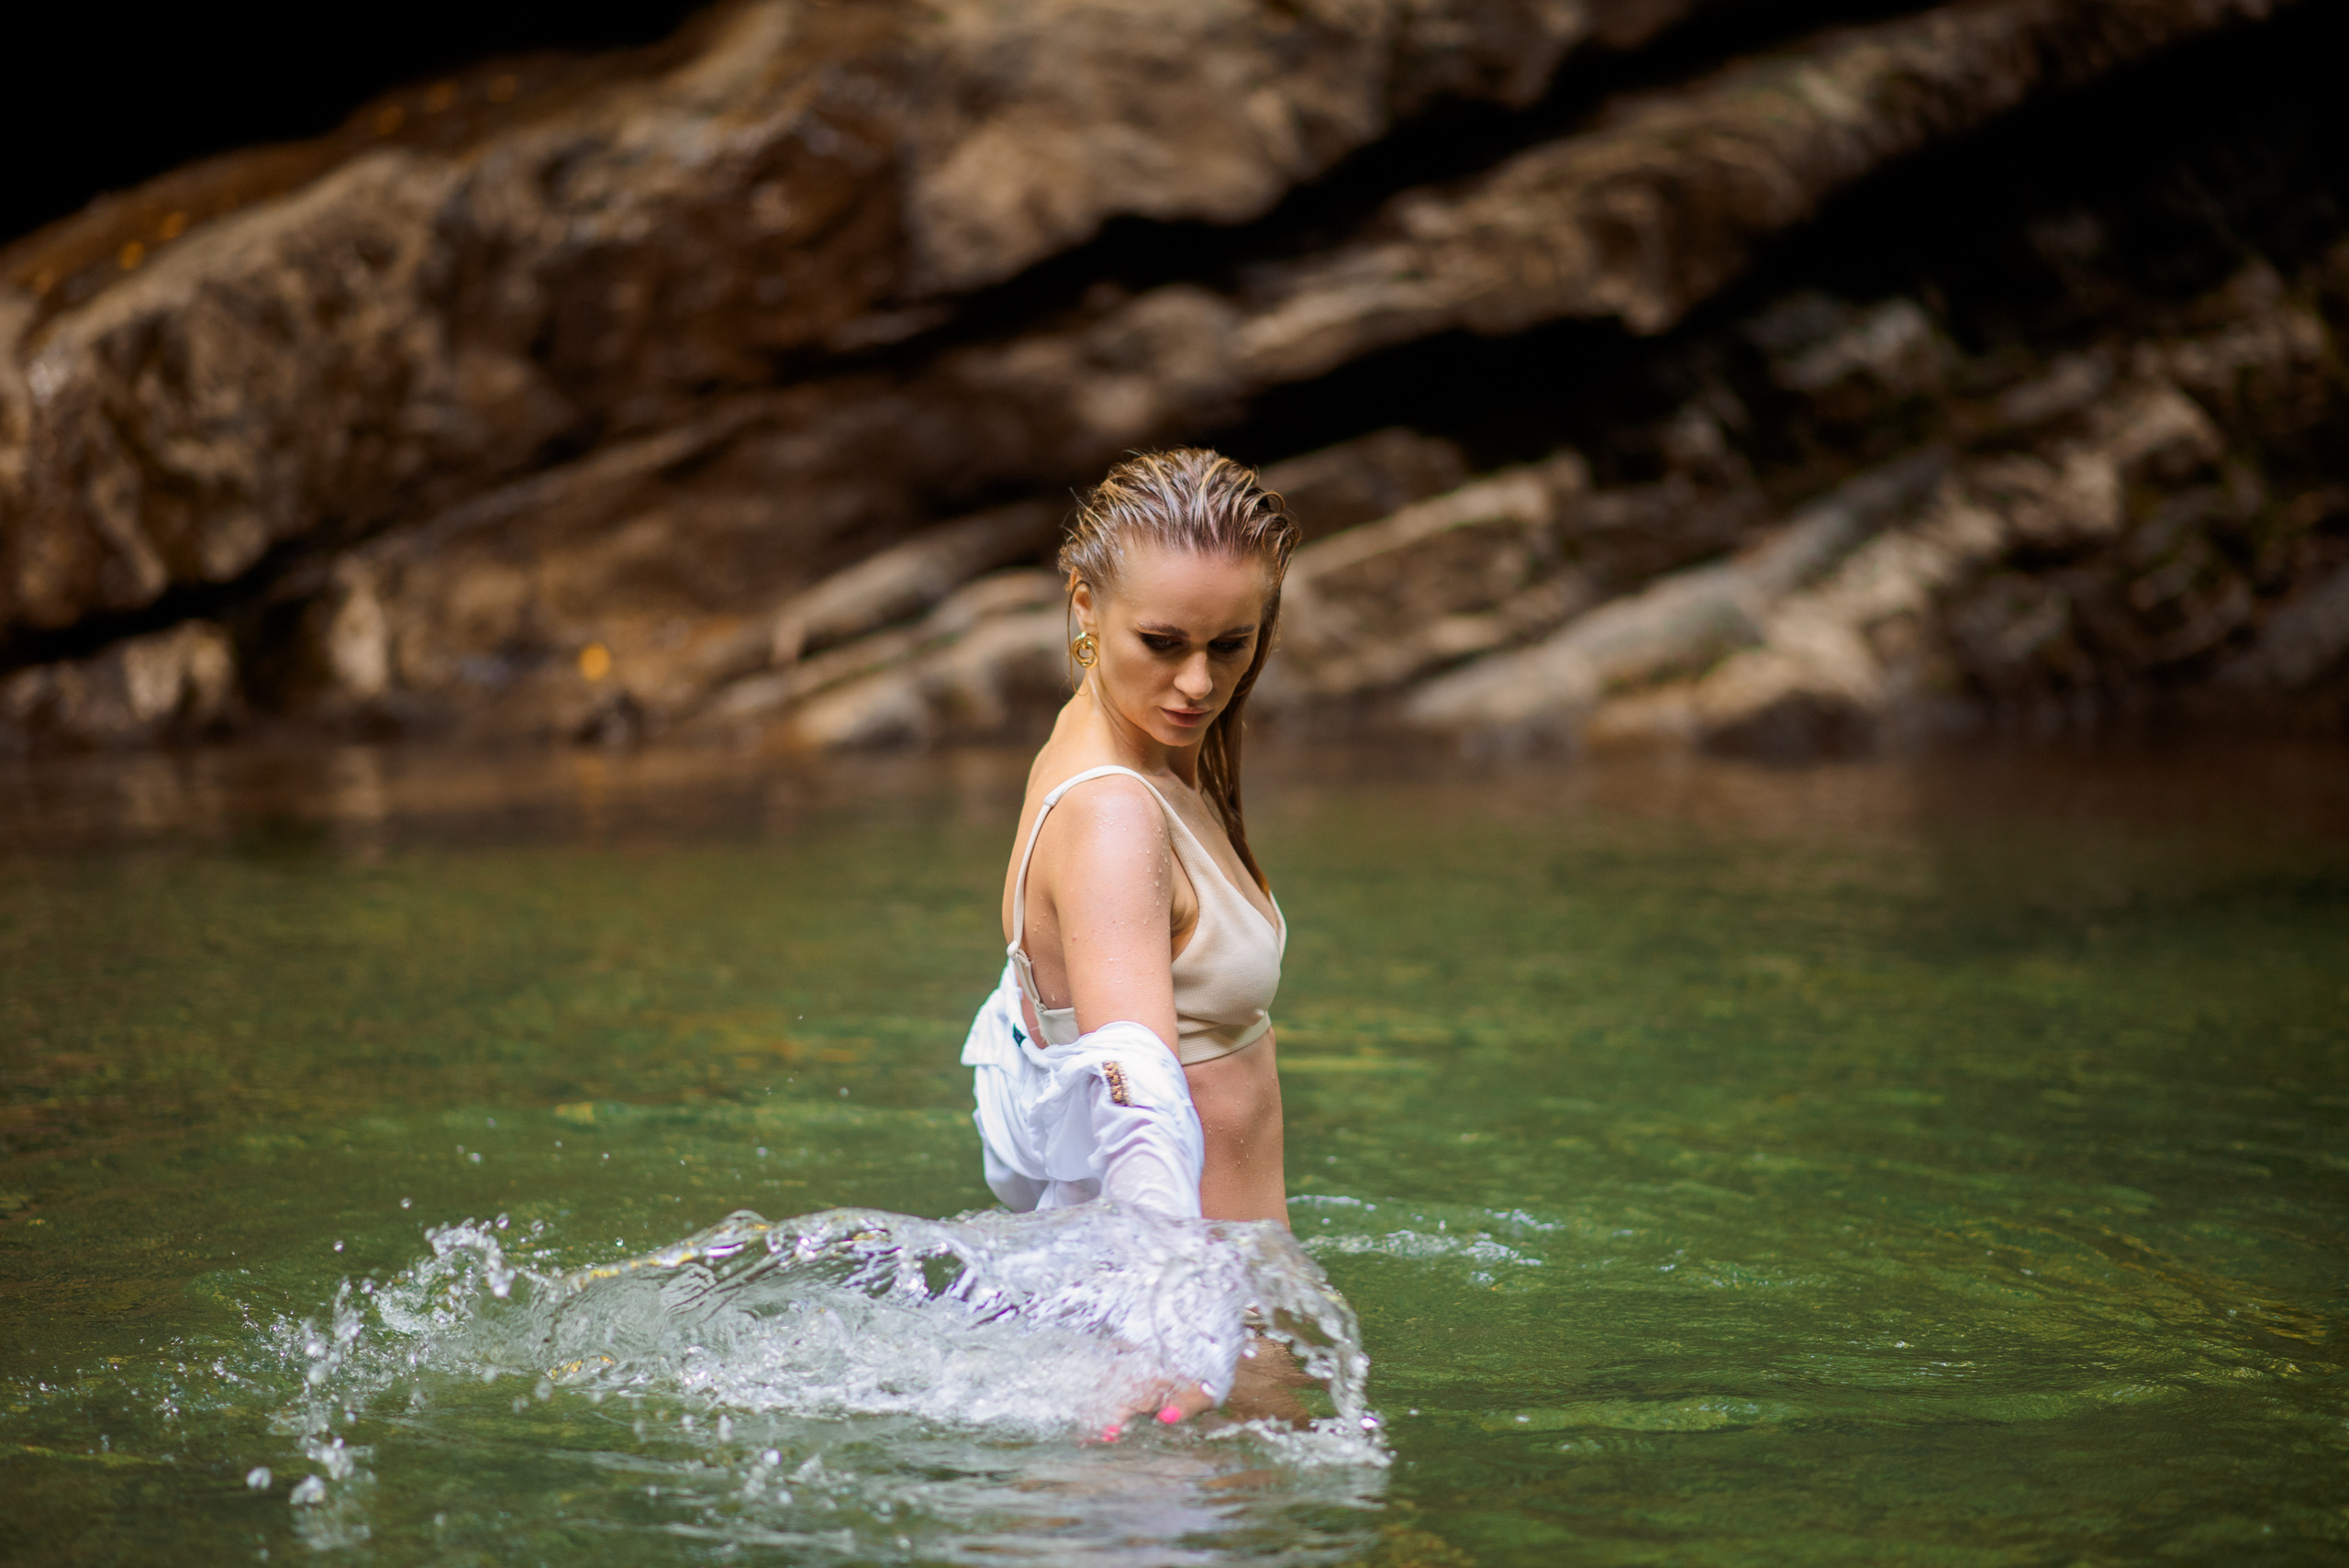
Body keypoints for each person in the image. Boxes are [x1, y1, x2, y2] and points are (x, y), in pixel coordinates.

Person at [957, 447, 1302, 1423]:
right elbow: (1132, 1085)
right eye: (1162, 641)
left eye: (1230, 645)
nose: (1198, 681)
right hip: (1192, 1324)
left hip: (1205, 1294)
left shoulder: (1134, 745)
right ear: (1083, 606)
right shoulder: (1112, 811)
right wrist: (1173, 1328)